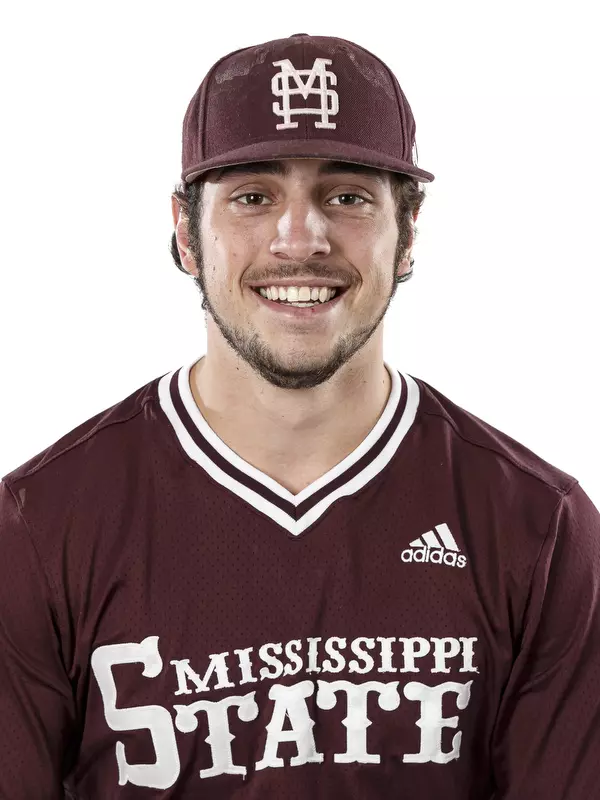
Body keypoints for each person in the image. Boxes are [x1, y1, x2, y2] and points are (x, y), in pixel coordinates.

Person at [0, 32, 598, 800]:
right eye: (254, 197)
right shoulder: (41, 526)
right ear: (186, 232)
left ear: (409, 232)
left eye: (346, 196)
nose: (300, 239)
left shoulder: (540, 528)